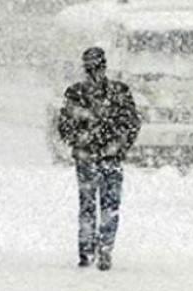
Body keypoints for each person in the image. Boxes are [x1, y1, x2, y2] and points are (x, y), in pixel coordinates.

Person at [58, 47, 141, 270]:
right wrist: (119, 145)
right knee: (109, 205)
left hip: (89, 157)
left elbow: (64, 126)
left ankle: (88, 250)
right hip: (109, 157)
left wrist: (81, 141)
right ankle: (104, 248)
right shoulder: (119, 92)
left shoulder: (76, 93)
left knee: (88, 205)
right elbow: (132, 124)